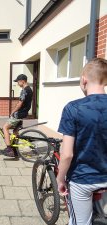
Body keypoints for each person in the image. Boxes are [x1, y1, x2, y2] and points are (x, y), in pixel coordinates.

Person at [56, 58, 107, 225]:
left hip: (83, 180)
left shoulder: (73, 108)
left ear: (84, 79)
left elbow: (67, 154)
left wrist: (60, 179)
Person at [2, 74, 33, 157]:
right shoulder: (30, 89)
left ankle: (9, 149)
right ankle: (15, 150)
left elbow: (20, 104)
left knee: (5, 127)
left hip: (19, 114)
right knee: (15, 131)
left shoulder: (24, 90)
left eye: (18, 82)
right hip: (24, 113)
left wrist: (12, 112)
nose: (17, 83)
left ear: (22, 81)